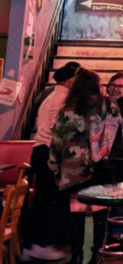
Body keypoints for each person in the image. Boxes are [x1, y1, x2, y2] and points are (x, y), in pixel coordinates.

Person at [49, 69, 123, 264]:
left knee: (76, 212)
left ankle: (76, 255)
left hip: (73, 169)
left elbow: (56, 141)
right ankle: (96, 255)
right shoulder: (108, 104)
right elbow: (120, 127)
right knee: (99, 211)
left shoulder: (67, 110)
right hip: (102, 166)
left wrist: (55, 167)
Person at [23, 62, 79, 261]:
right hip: (49, 152)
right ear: (70, 80)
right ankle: (44, 244)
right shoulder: (62, 98)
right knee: (50, 197)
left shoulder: (51, 96)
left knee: (46, 196)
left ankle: (40, 243)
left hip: (41, 151)